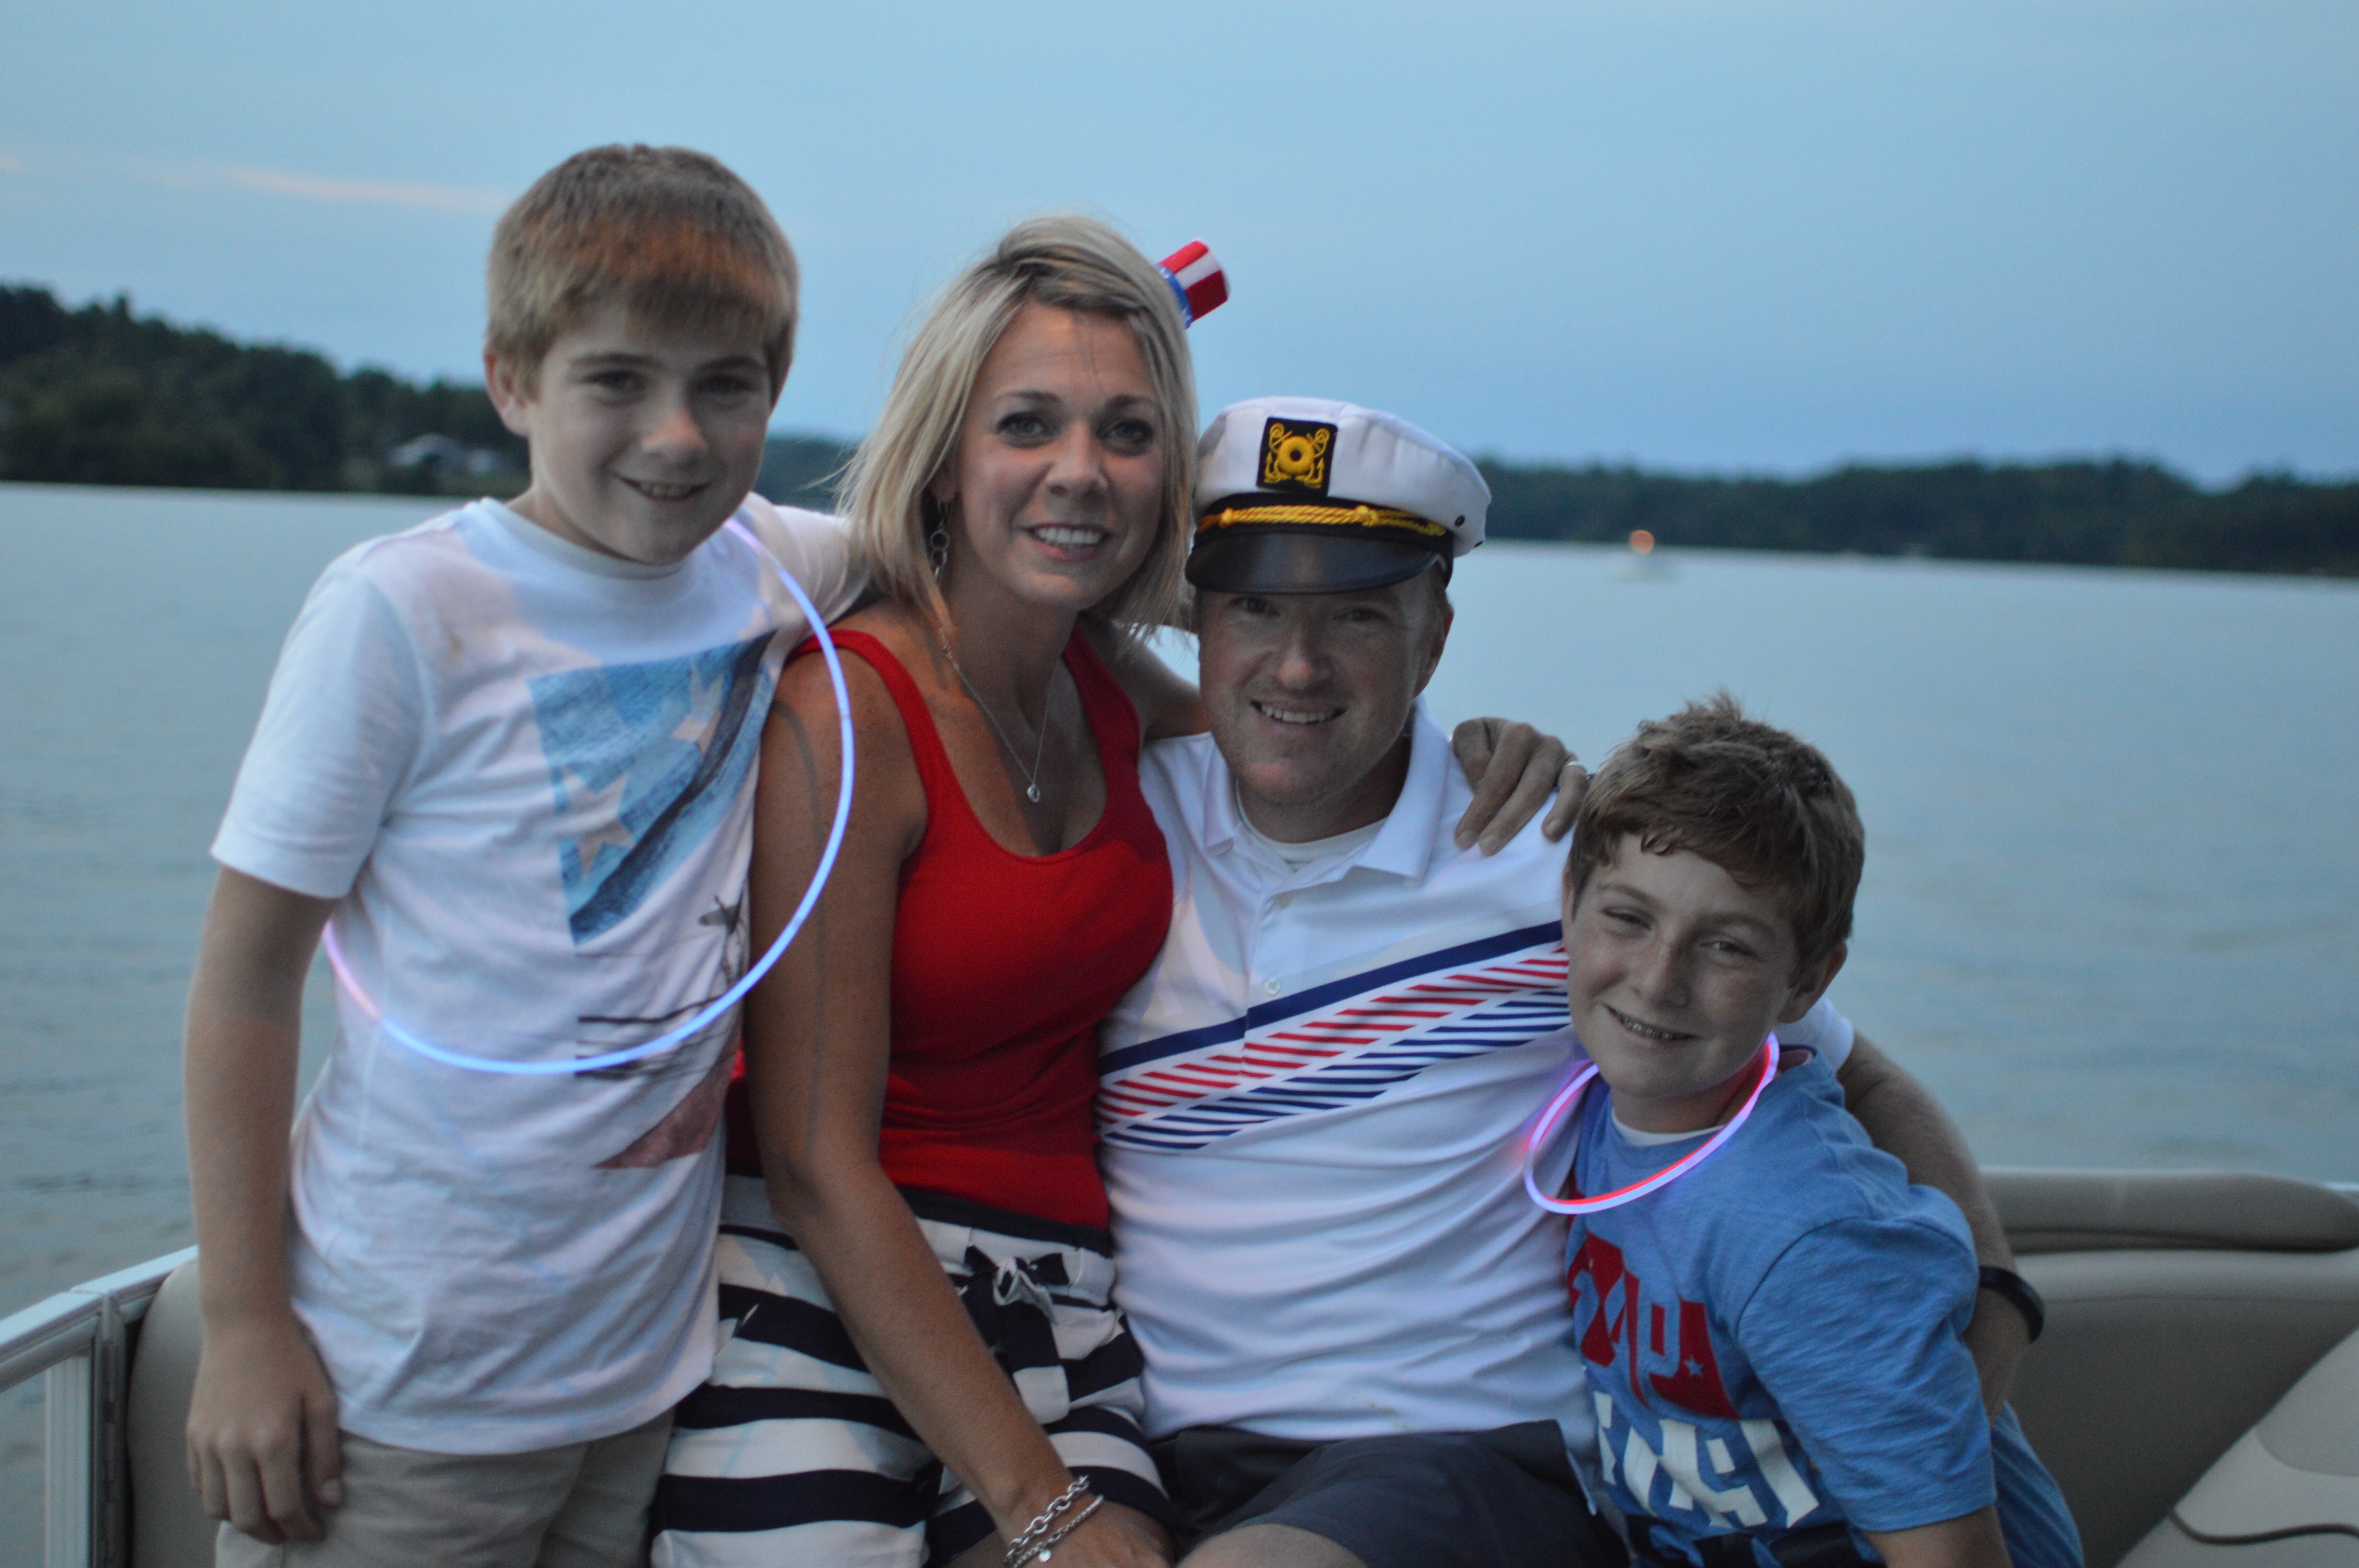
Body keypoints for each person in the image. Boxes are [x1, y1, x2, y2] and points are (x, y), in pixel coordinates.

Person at [649, 224, 1570, 1568]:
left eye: (1129, 433)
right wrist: (1045, 1507)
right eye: (1027, 423)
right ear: (945, 456)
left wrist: (1490, 759)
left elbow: (1305, 726)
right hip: (817, 1286)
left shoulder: (1110, 697)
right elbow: (812, 1159)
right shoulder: (848, 715)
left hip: (1062, 1309)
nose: (1080, 470)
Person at [1096, 398, 2040, 1568]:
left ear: (1436, 638)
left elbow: (1862, 1083)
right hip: (1151, 1453)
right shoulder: (1104, 833)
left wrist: (1996, 1295)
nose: (1298, 664)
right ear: (1194, 618)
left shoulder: (1556, 868)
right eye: (1255, 608)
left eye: (1359, 615)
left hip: (1463, 1460)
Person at [182, 144, 861, 1565]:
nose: (676, 437)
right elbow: (245, 981)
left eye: (725, 386)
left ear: (776, 390)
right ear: (512, 382)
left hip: (641, 1380)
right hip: (401, 1387)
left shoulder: (771, 566)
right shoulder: (404, 610)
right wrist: (244, 1323)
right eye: (615, 380)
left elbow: (985, 554)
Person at [1553, 697, 2079, 1568]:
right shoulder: (1603, 1115)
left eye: (1727, 947)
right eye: (1630, 918)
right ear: (1569, 902)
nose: (1657, 980)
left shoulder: (1807, 1237)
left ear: (1808, 984)